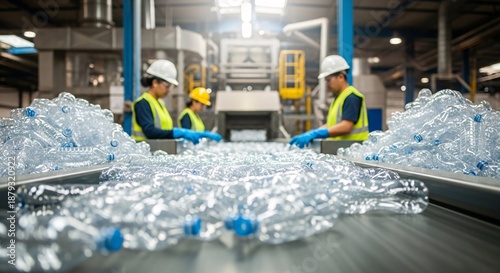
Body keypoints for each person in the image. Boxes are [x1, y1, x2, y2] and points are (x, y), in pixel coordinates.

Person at [132, 60, 221, 144]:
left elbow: (164, 130)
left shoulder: (160, 104)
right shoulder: (143, 103)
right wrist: (177, 132)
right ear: (155, 82)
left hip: (159, 152)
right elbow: (150, 131)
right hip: (145, 154)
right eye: (167, 85)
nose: (169, 90)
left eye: (170, 86)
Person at [289, 55, 369, 148]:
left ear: (341, 77)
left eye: (328, 80)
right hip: (342, 149)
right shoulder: (339, 98)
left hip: (354, 150)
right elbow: (332, 124)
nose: (327, 84)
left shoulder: (351, 97)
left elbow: (346, 126)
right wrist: (312, 133)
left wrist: (317, 133)